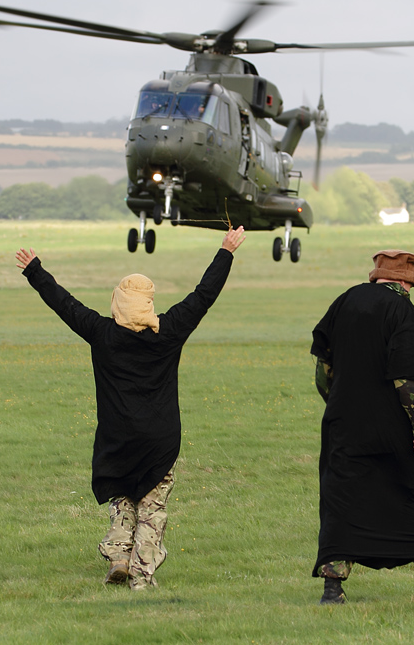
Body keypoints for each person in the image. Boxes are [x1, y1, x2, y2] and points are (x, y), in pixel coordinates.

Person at [15, 226, 247, 590]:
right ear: (149, 302)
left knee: (123, 496)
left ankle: (119, 556)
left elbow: (65, 304)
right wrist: (226, 250)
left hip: (116, 436)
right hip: (160, 437)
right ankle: (141, 576)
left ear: (118, 301)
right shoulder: (168, 332)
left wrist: (34, 270)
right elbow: (203, 296)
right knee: (152, 508)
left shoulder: (101, 333)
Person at [310, 249, 414, 604]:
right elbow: (408, 380)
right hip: (391, 427)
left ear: (378, 274)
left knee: (343, 499)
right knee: (412, 494)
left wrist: (340, 406)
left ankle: (333, 590)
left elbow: (323, 369)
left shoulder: (345, 301)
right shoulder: (404, 311)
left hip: (343, 423)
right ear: (407, 280)